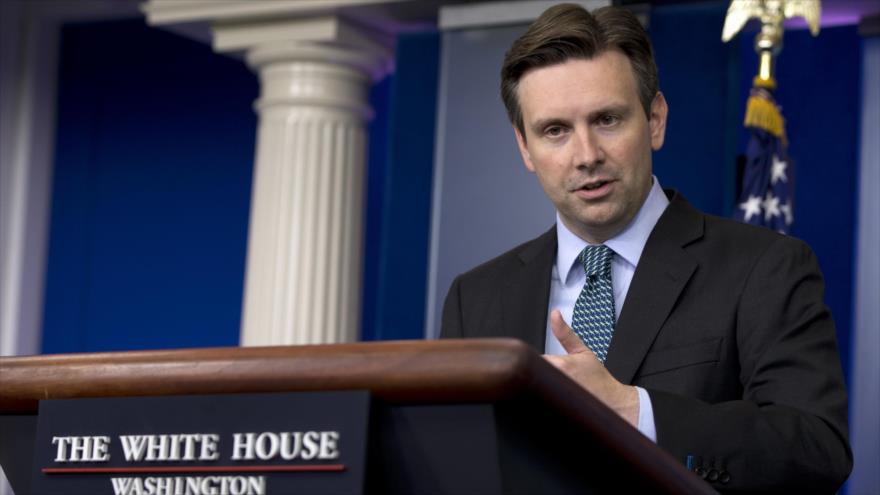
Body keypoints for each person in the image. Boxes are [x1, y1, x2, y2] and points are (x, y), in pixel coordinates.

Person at [439, 4, 852, 493]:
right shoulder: (476, 297)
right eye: (555, 131)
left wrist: (636, 411)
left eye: (608, 120)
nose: (587, 155)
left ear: (655, 120)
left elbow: (816, 449)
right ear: (525, 148)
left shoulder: (765, 267)